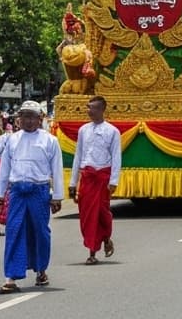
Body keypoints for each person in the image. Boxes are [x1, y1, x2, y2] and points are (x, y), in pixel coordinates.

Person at [0, 101, 64, 294]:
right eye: (25, 116)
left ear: (40, 119)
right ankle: (11, 277)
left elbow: (57, 170)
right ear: (19, 119)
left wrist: (57, 196)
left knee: (40, 232)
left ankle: (41, 269)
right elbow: (4, 168)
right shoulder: (12, 140)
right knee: (14, 231)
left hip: (39, 191)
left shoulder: (50, 140)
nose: (29, 121)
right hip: (17, 192)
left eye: (32, 117)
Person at [69, 95, 121, 265]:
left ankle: (97, 246)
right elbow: (78, 155)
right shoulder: (83, 130)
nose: (89, 110)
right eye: (88, 107)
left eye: (92, 107)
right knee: (87, 215)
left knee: (101, 213)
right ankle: (95, 244)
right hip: (87, 177)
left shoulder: (112, 131)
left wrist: (113, 180)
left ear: (101, 109)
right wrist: (72, 182)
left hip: (102, 177)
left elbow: (116, 156)